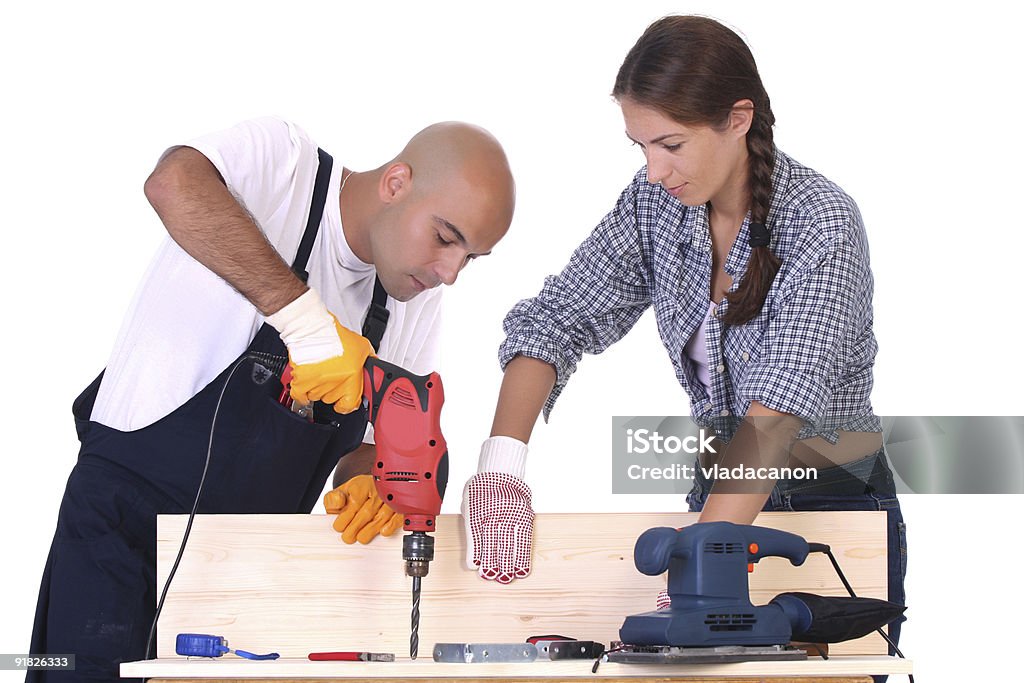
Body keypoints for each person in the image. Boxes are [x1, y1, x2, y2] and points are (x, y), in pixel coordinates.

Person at [461, 13, 906, 662]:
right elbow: (555, 318)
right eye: (639, 147)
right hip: (717, 503)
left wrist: (704, 561)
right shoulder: (655, 207)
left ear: (738, 118)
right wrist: (502, 466)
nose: (652, 171)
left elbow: (773, 420)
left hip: (831, 508)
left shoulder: (821, 222)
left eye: (669, 144)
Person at [29, 116, 515, 682]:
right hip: (118, 530)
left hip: (249, 569)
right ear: (396, 183)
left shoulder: (411, 301)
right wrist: (308, 326)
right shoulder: (285, 166)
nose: (450, 273)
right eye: (445, 237)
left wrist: (371, 479)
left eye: (470, 258)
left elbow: (373, 442)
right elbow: (173, 184)